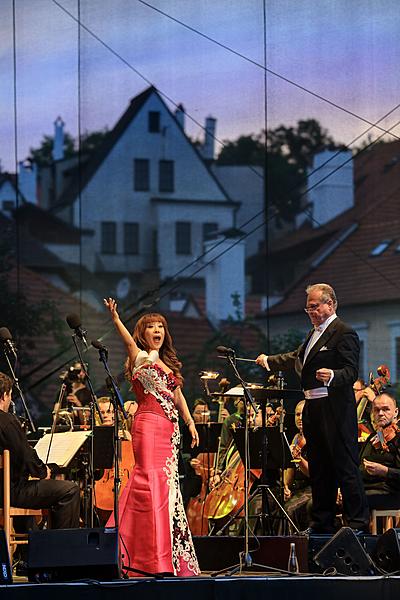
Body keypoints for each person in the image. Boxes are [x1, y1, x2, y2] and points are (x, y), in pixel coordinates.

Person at [256, 283, 369, 534]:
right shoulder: (313, 334)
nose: (311, 312)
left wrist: (332, 375)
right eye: (307, 308)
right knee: (319, 467)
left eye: (315, 307)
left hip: (335, 407)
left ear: (331, 304)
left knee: (345, 465)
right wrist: (268, 362)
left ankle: (358, 524)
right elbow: (295, 357)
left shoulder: (344, 332)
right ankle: (322, 523)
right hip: (312, 406)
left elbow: (351, 372)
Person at [104, 298, 200, 577]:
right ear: (143, 333)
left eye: (160, 326)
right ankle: (145, 557)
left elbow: (177, 394)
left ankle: (164, 556)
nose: (157, 330)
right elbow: (127, 342)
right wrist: (115, 319)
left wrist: (190, 422)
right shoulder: (139, 356)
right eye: (151, 327)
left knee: (167, 489)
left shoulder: (168, 364)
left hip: (170, 431)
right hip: (147, 427)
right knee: (148, 483)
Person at [0, 372, 80, 529]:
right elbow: (26, 456)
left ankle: (28, 550)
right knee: (69, 490)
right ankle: (62, 548)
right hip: (9, 491)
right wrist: (42, 471)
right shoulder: (6, 421)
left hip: (6, 488)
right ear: (4, 395)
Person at [360, 393, 400, 511]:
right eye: (376, 410)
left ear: (396, 412)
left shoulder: (397, 438)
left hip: (391, 492)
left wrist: (385, 471)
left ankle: (357, 530)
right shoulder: (372, 437)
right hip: (365, 489)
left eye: (386, 409)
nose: (380, 414)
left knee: (355, 499)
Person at [283, 400, 312, 532]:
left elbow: (314, 473)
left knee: (290, 509)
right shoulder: (296, 438)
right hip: (298, 488)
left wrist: (299, 460)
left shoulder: (317, 438)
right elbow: (290, 469)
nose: (300, 418)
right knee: (270, 504)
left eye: (303, 414)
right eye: (297, 414)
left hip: (312, 488)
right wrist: (286, 486)